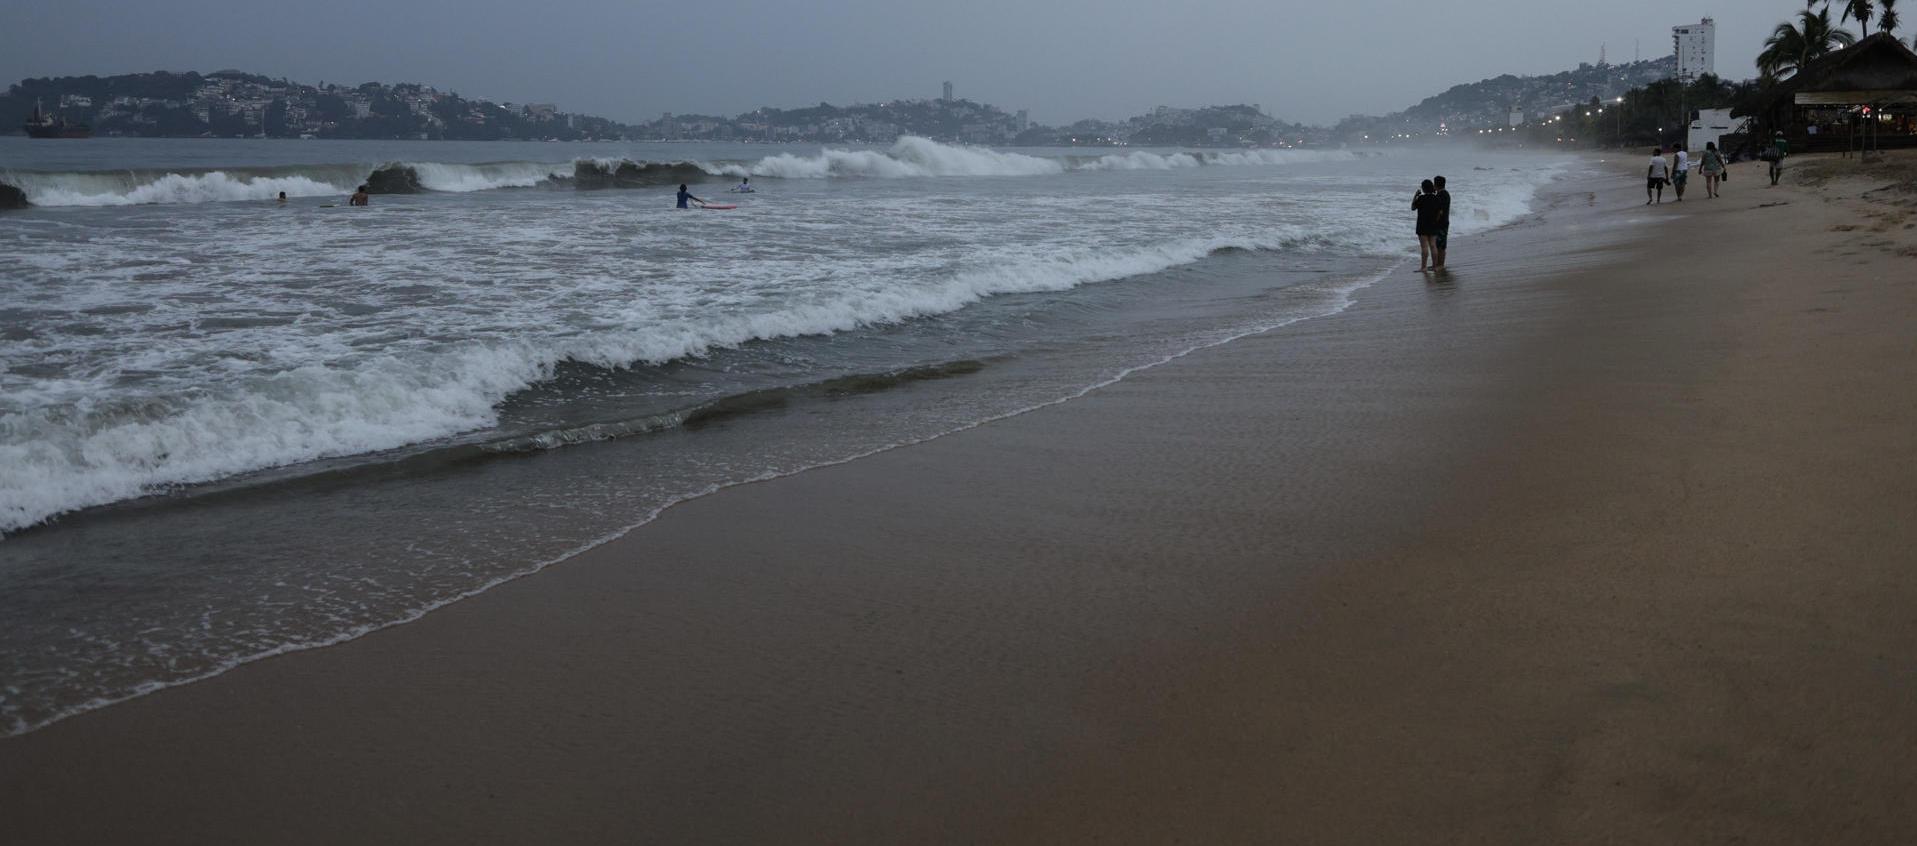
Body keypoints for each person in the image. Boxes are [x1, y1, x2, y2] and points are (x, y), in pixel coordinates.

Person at [1412, 179, 1442, 272]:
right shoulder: (1436, 198)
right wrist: (1436, 221)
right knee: (1433, 246)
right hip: (1433, 224)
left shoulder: (1421, 198)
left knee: (1424, 247)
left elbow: (1413, 207)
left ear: (1423, 188)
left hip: (1422, 224)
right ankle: (1434, 266)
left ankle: (1423, 267)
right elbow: (1440, 212)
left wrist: (1416, 195)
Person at [1431, 175, 1451, 269]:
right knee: (1439, 244)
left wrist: (1435, 221)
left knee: (1440, 246)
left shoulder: (1442, 195)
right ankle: (1438, 264)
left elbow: (1440, 211)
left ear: (1436, 184)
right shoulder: (1444, 194)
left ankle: (1440, 265)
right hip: (1443, 222)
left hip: (1441, 223)